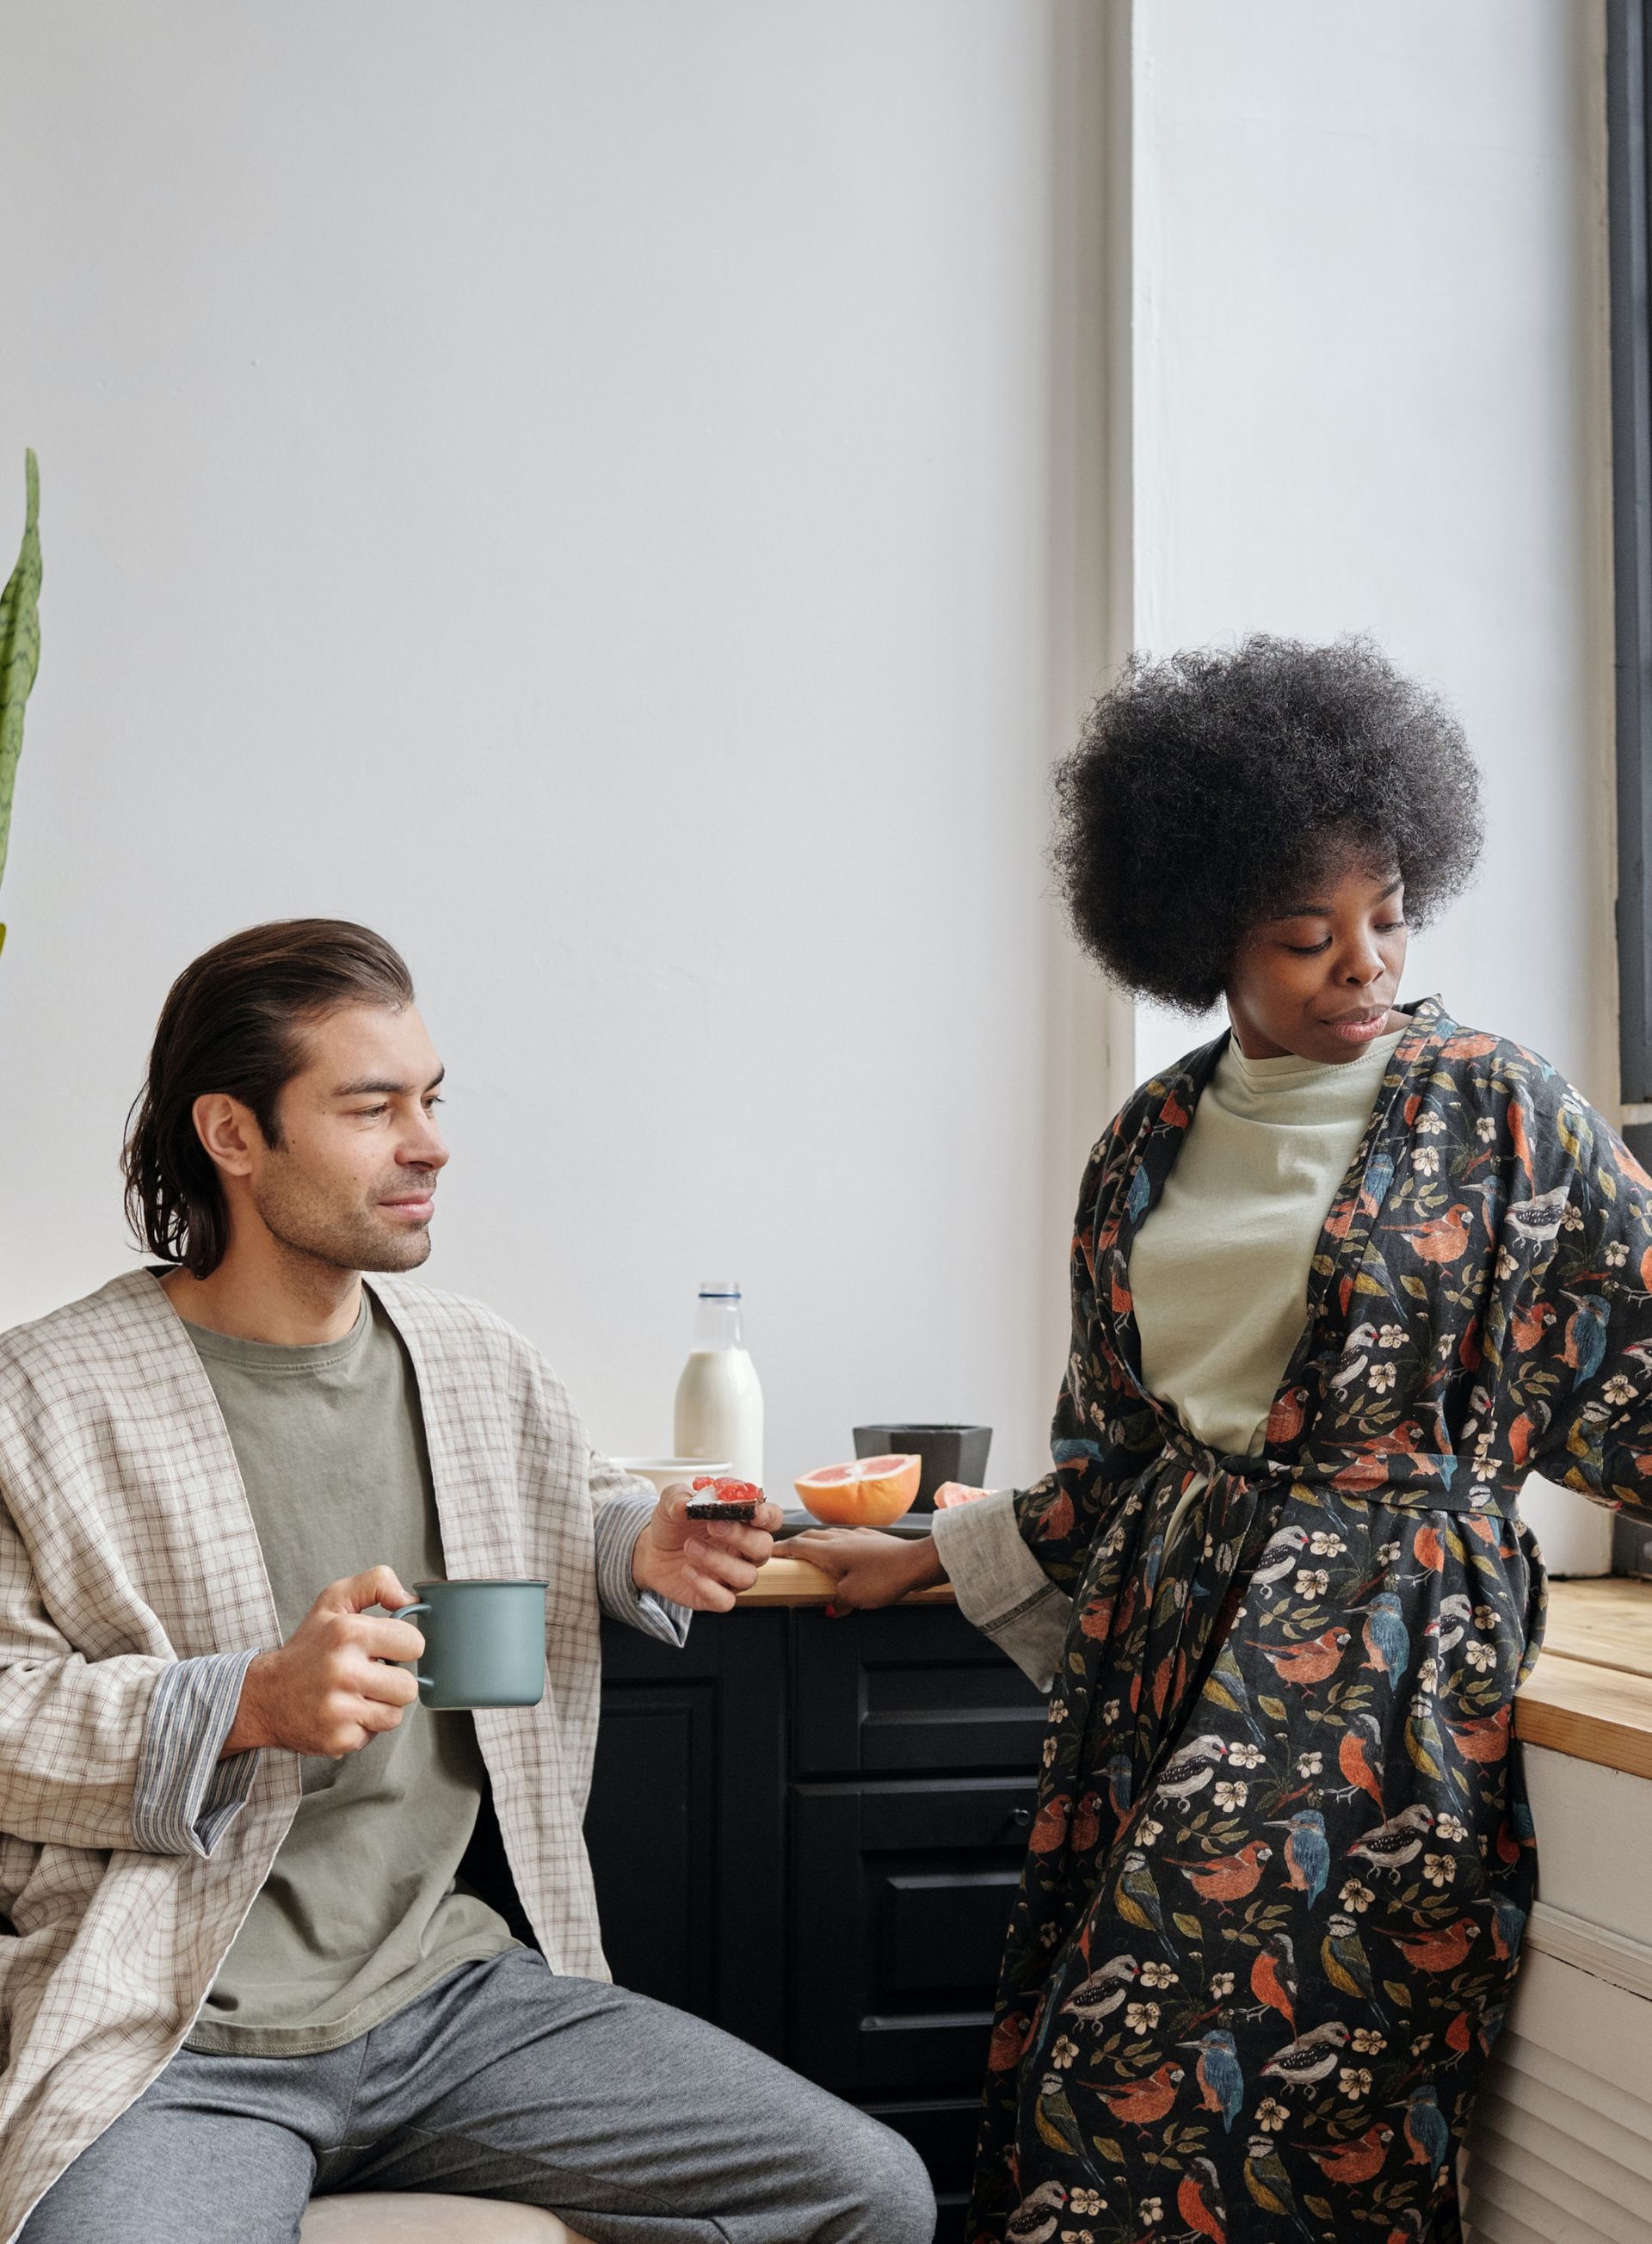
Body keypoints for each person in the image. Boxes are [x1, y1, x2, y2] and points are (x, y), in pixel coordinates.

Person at [794, 635, 1652, 2244]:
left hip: (1387, 1658)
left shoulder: (1500, 1109)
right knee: (1101, 2060)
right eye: (1308, 936)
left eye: (1390, 916)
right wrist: (933, 1553)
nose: (1365, 967)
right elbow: (1113, 1452)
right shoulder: (1147, 1144)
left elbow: (1642, 1359)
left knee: (1228, 2103)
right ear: (1205, 938)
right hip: (1162, 1643)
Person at [0, 919, 935, 2244]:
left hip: (449, 2000)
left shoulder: (476, 1360)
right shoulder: (42, 1397)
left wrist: (642, 1544)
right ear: (233, 1134)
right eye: (372, 1108)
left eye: (431, 1101)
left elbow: (570, 1501)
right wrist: (251, 1702)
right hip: (181, 2029)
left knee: (868, 2191)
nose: (429, 1144)